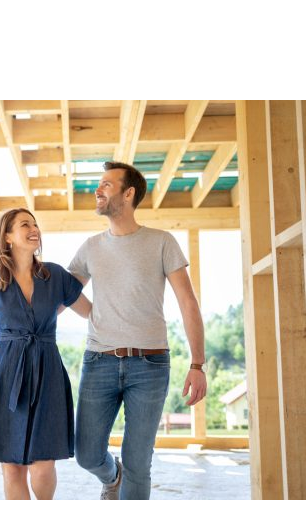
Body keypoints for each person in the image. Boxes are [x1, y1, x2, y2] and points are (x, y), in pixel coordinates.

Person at [68, 161, 207, 500]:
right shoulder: (90, 247)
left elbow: (188, 302)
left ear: (128, 194)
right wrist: (94, 314)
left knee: (138, 461)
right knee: (85, 453)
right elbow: (64, 293)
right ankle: (110, 476)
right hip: (98, 361)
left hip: (151, 366)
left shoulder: (162, 242)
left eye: (106, 185)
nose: (98, 190)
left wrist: (198, 363)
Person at [0, 208, 92, 500]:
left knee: (43, 464)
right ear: (7, 236)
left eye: (35, 224)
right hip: (2, 373)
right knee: (11, 467)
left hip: (47, 371)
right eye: (25, 224)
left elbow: (90, 312)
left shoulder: (55, 275)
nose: (34, 228)